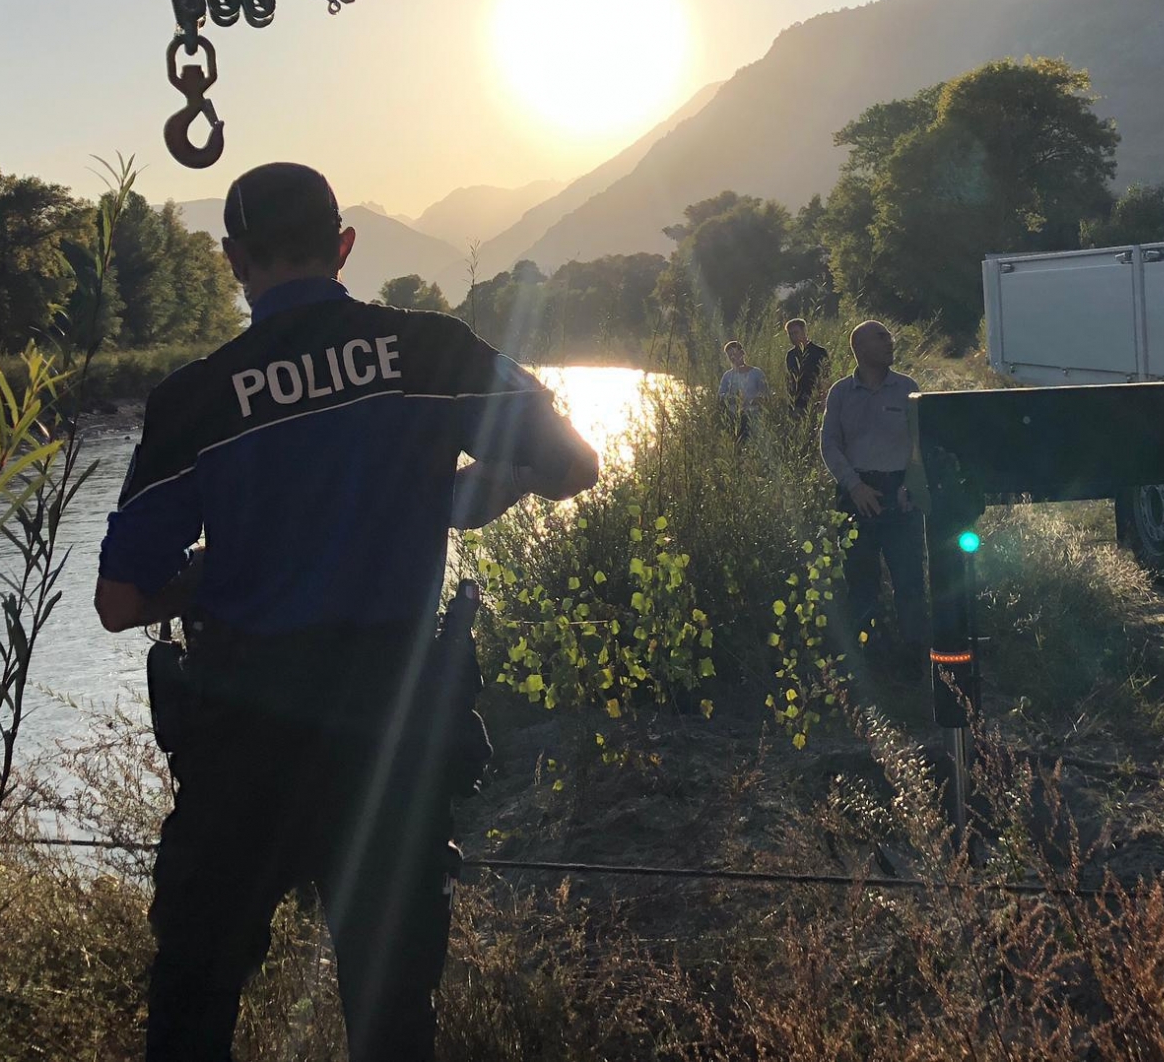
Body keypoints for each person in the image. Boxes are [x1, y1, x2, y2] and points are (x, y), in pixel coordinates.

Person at [96, 162, 598, 1062]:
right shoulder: (432, 352)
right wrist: (459, 496)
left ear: (232, 259)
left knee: (193, 1009)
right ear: (343, 246)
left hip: (240, 742)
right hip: (391, 741)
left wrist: (208, 578)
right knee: (393, 1018)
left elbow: (120, 600)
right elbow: (573, 467)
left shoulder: (195, 400)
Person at [819, 320, 926, 665]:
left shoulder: (908, 389)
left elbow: (920, 444)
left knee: (909, 580)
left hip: (900, 495)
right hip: (856, 495)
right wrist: (854, 486)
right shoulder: (840, 393)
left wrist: (910, 484)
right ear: (860, 348)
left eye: (890, 337)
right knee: (861, 583)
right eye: (881, 337)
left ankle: (913, 657)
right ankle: (873, 658)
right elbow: (830, 444)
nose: (890, 342)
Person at [717, 339, 771, 442]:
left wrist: (755, 400)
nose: (733, 357)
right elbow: (720, 396)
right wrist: (733, 398)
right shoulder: (727, 376)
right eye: (730, 356)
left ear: (742, 353)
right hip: (734, 418)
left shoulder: (756, 373)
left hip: (753, 418)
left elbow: (766, 395)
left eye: (735, 354)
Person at [784, 318, 830, 417]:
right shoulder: (790, 355)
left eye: (796, 332)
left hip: (815, 400)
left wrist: (823, 400)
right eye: (790, 334)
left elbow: (826, 377)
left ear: (804, 331)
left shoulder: (819, 352)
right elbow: (791, 380)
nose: (793, 336)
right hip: (797, 403)